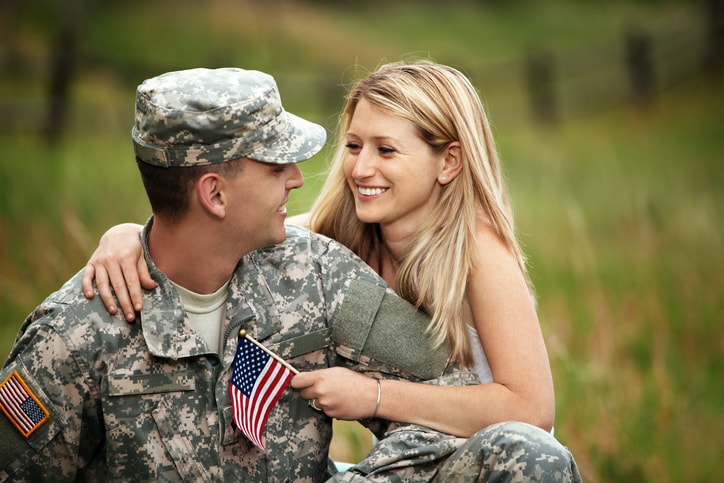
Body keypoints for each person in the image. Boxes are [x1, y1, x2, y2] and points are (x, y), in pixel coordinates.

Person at [80, 61, 581, 482]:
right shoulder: (339, 230)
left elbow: (532, 409)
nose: (362, 169)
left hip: (478, 463)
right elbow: (229, 230)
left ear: (448, 162)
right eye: (355, 146)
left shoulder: (477, 251)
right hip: (405, 462)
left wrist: (374, 396)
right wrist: (129, 235)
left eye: (386, 150)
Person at [0, 66, 476, 482]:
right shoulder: (71, 338)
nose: (296, 177)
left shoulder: (316, 273)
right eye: (274, 167)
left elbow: (450, 396)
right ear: (215, 195)